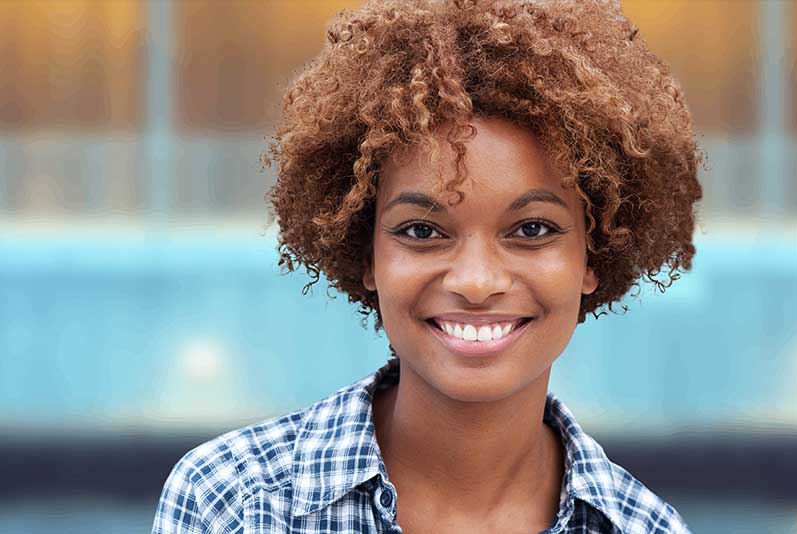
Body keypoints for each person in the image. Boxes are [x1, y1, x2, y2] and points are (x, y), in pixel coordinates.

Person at [152, 0, 703, 532]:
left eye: (532, 229)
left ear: (594, 254)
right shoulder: (232, 504)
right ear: (367, 254)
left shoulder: (644, 527)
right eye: (422, 231)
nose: (476, 282)